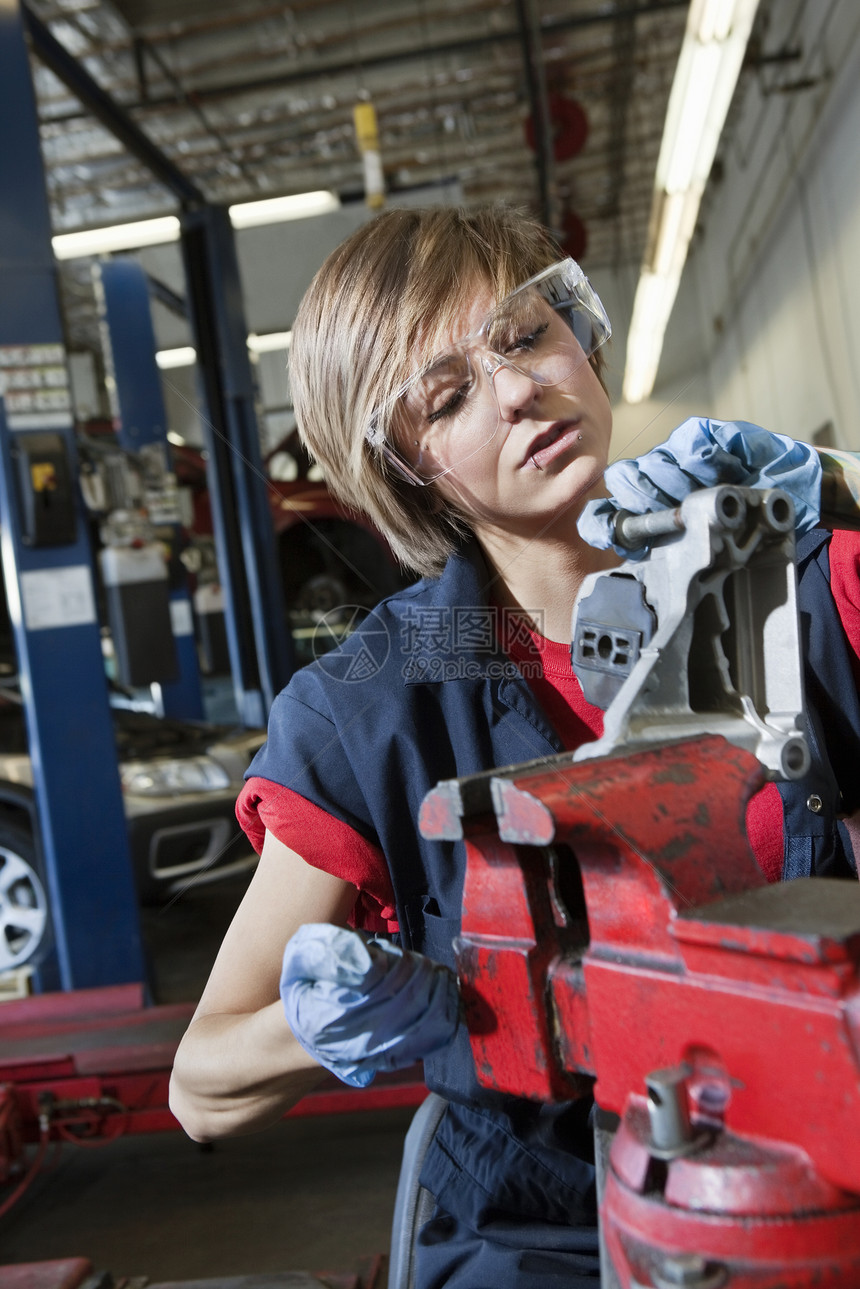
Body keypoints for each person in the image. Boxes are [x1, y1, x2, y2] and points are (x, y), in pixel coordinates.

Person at [169, 205, 860, 1287]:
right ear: (407, 466)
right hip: (547, 1233)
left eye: (524, 335)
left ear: (576, 336)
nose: (513, 388)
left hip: (828, 1172)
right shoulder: (369, 708)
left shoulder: (793, 578)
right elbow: (199, 1085)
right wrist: (350, 1016)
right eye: (446, 396)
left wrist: (840, 485)